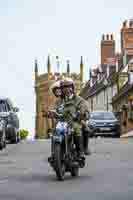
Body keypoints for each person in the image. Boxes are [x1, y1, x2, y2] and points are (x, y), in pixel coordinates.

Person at [60, 77, 90, 158]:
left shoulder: (79, 100)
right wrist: (49, 113)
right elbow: (56, 109)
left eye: (68, 87)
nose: (66, 89)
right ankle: (55, 153)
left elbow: (84, 109)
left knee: (76, 128)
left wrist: (82, 114)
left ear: (72, 88)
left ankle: (80, 151)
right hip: (62, 123)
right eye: (64, 87)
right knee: (56, 132)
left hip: (74, 121)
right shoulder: (60, 101)